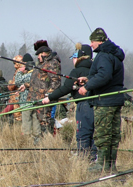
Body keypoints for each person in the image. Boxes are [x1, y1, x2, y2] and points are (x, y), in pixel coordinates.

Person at [78, 28, 125, 173]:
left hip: (105, 102)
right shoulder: (114, 54)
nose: (91, 45)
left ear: (99, 41)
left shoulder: (104, 55)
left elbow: (104, 76)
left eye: (92, 41)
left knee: (103, 134)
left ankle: (103, 165)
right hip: (115, 100)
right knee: (113, 134)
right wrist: (89, 79)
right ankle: (112, 166)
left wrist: (87, 87)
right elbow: (108, 76)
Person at [42, 43, 97, 161]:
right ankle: (93, 159)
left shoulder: (77, 71)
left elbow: (64, 89)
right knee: (93, 134)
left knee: (83, 133)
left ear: (80, 57)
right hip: (97, 105)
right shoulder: (96, 70)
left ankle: (83, 160)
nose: (74, 60)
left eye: (75, 57)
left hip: (84, 106)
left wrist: (50, 98)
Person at [20, 46, 61, 135]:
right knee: (37, 127)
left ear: (44, 54)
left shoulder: (52, 63)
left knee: (45, 124)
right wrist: (26, 85)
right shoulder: (40, 65)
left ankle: (48, 144)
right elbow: (38, 81)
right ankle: (38, 146)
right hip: (35, 100)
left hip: (44, 101)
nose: (38, 57)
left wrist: (49, 96)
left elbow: (56, 81)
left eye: (39, 54)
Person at [0, 55, 24, 122]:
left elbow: (14, 85)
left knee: (18, 115)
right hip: (18, 96)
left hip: (17, 97)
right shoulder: (24, 69)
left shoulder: (19, 71)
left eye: (15, 63)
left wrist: (9, 87)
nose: (14, 65)